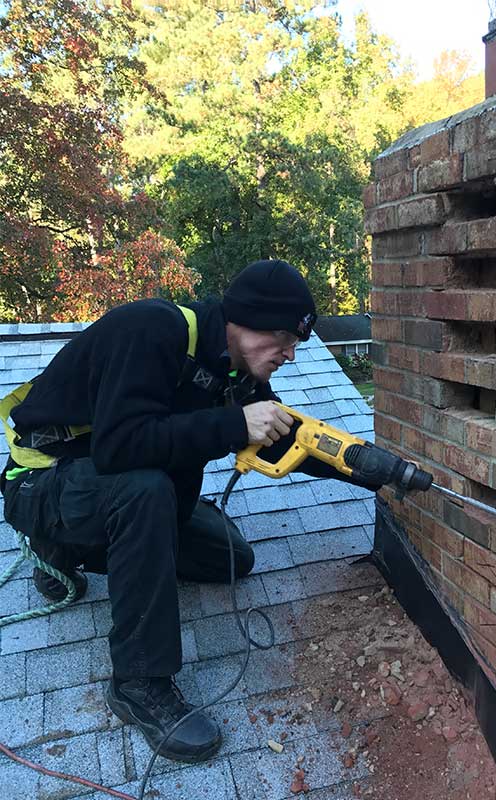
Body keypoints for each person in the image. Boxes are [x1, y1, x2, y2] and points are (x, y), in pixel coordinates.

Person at [1, 259, 372, 764]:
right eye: (283, 336)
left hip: (111, 489)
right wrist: (232, 426)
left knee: (231, 558)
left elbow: (289, 441)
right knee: (146, 492)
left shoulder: (232, 371)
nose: (290, 352)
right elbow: (117, 448)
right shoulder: (152, 330)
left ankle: (101, 547)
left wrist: (374, 471)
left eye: (296, 341)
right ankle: (138, 680)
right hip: (42, 481)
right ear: (242, 319)